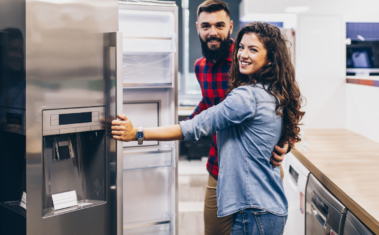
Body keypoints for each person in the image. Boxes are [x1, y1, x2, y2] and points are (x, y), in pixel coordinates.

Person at [112, 21, 305, 235]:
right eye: (241, 47)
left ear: (270, 58)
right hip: (269, 207)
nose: (243, 54)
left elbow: (195, 127)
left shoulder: (247, 97)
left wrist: (137, 133)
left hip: (253, 211)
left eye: (253, 49)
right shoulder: (276, 91)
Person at [190, 1, 288, 234]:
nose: (212, 32)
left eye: (219, 25)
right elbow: (208, 104)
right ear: (197, 28)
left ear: (230, 26)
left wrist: (287, 142)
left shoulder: (249, 61)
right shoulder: (200, 67)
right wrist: (184, 125)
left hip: (258, 170)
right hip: (219, 166)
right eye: (206, 26)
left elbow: (282, 103)